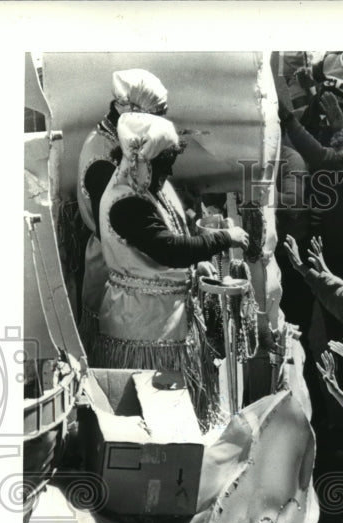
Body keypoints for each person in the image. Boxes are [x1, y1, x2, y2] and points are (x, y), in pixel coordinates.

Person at [91, 113, 248, 429]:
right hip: (144, 327)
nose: (171, 170)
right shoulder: (126, 202)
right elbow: (169, 249)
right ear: (144, 160)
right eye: (165, 163)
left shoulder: (141, 187)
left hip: (158, 319)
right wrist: (222, 238)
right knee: (156, 416)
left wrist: (196, 265)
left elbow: (160, 249)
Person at [76, 69, 168, 354]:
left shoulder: (121, 139)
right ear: (131, 111)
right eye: (156, 115)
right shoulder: (102, 159)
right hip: (113, 276)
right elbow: (120, 230)